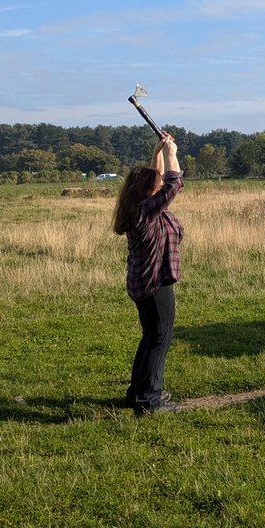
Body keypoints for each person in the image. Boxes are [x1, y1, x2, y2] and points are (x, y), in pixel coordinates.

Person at [112, 133, 184, 416]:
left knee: (150, 337)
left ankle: (138, 394)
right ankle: (150, 402)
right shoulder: (146, 210)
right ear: (148, 189)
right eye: (156, 182)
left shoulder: (140, 206)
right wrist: (172, 152)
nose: (160, 182)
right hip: (154, 284)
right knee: (159, 339)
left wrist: (157, 151)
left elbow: (163, 180)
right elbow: (174, 182)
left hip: (144, 282)